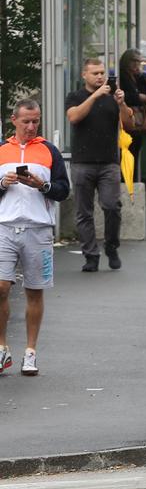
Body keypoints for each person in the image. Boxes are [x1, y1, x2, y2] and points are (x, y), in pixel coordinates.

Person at [0, 100, 70, 377]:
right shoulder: (2, 150)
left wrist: (42, 185)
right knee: (2, 287)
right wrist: (2, 184)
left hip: (38, 229)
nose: (31, 127)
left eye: (36, 121)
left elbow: (63, 190)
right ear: (13, 120)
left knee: (34, 290)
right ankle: (2, 347)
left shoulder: (49, 150)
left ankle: (30, 351)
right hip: (4, 226)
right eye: (26, 121)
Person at [65, 59, 132, 272]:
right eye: (95, 73)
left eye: (102, 72)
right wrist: (95, 96)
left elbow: (130, 124)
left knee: (112, 206)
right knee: (84, 212)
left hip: (108, 163)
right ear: (84, 75)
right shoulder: (75, 96)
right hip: (82, 162)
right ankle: (91, 255)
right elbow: (74, 117)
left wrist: (121, 103)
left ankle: (111, 247)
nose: (100, 77)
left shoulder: (113, 97)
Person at [116, 50, 146, 186]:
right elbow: (122, 96)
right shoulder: (122, 77)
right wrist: (138, 97)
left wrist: (141, 76)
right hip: (125, 121)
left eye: (138, 62)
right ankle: (127, 182)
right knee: (126, 154)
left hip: (137, 124)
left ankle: (132, 182)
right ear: (126, 62)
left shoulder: (138, 77)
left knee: (134, 153)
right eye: (133, 61)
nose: (136, 65)